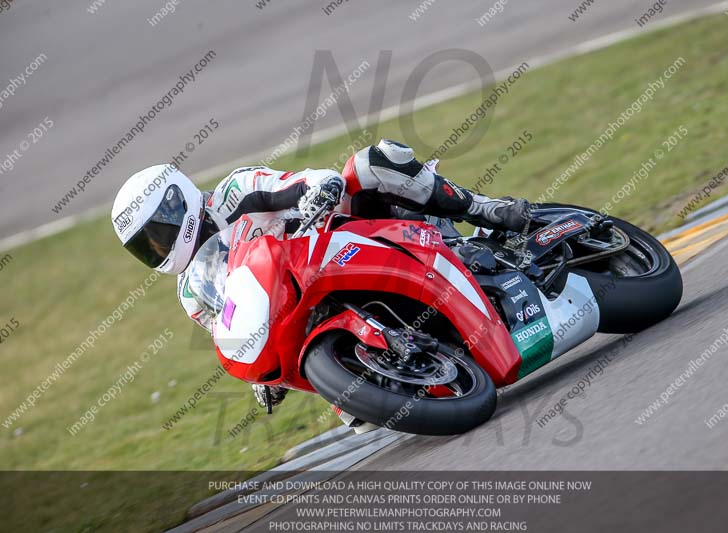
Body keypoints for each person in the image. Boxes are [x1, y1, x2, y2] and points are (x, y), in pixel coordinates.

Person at [111, 139, 530, 415]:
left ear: (176, 202)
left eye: (157, 234)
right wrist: (261, 380)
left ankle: (485, 209)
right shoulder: (191, 294)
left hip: (344, 240)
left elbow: (309, 180)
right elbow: (237, 329)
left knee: (369, 163)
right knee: (354, 416)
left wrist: (320, 191)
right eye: (146, 247)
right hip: (308, 309)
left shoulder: (236, 192)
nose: (159, 248)